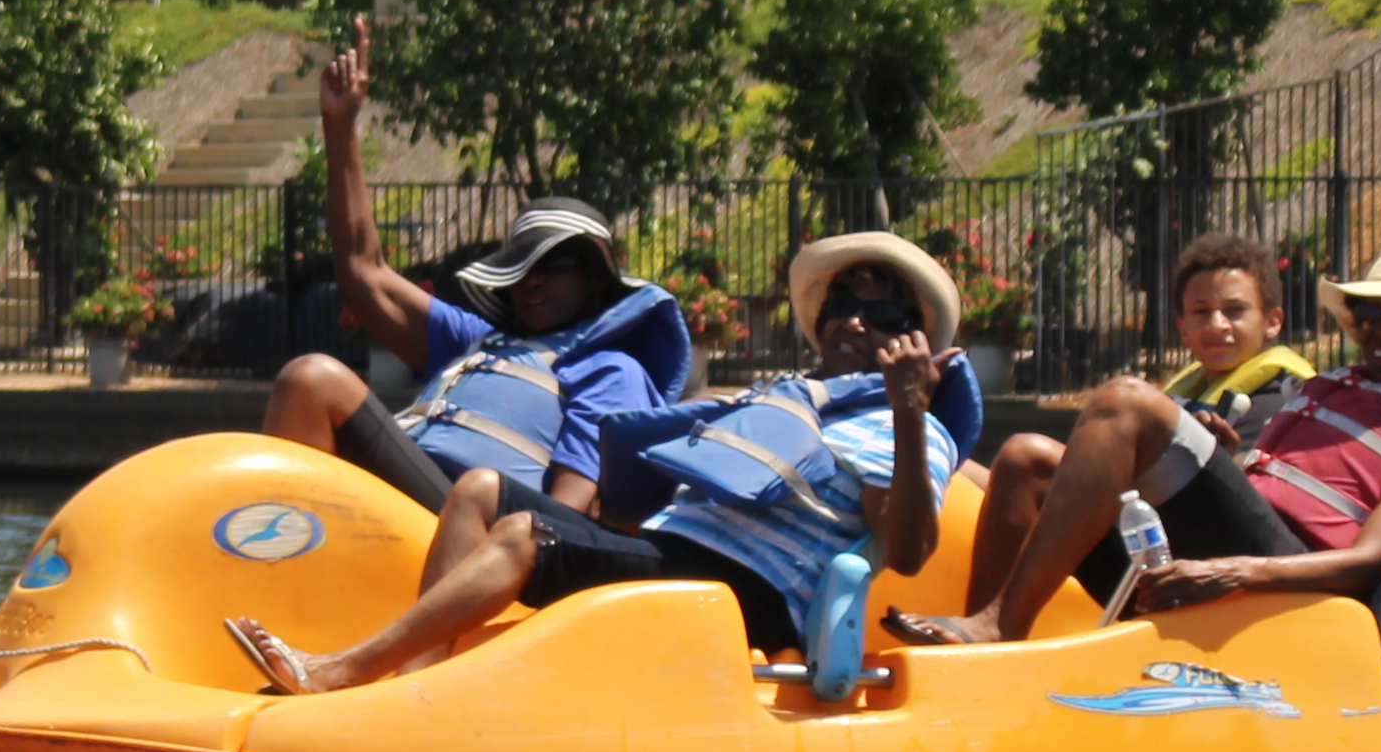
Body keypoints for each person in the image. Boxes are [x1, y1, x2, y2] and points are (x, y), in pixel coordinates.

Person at [232, 235, 981, 696]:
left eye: (881, 315)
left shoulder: (903, 422)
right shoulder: (788, 399)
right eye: (841, 304)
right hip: (676, 553)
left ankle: (343, 671)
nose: (854, 320)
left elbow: (909, 550)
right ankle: (414, 688)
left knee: (526, 532)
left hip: (750, 594)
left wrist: (913, 412)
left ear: (912, 338)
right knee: (481, 491)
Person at [897, 230, 1381, 648]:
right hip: (1235, 547)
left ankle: (998, 629)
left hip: (1298, 597)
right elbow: (1266, 487)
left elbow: (1368, 562)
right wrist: (1224, 455)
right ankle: (987, 647)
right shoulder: (1337, 388)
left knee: (1126, 401)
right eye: (1369, 313)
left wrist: (1232, 570)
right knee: (1027, 460)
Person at [256, 14, 692, 529]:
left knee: (314, 380)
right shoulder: (479, 340)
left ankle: (272, 561)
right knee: (303, 394)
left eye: (556, 263)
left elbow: (569, 516)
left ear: (596, 277)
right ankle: (266, 563)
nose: (533, 280)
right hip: (398, 490)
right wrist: (340, 124)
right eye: (520, 267)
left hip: (468, 523)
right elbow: (363, 273)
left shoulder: (610, 370)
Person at [1153, 229, 1316, 437]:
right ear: (1183, 328)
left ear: (1273, 322)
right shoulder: (1184, 398)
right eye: (1201, 311)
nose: (1217, 324)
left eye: (1235, 309)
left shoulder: (1286, 405)